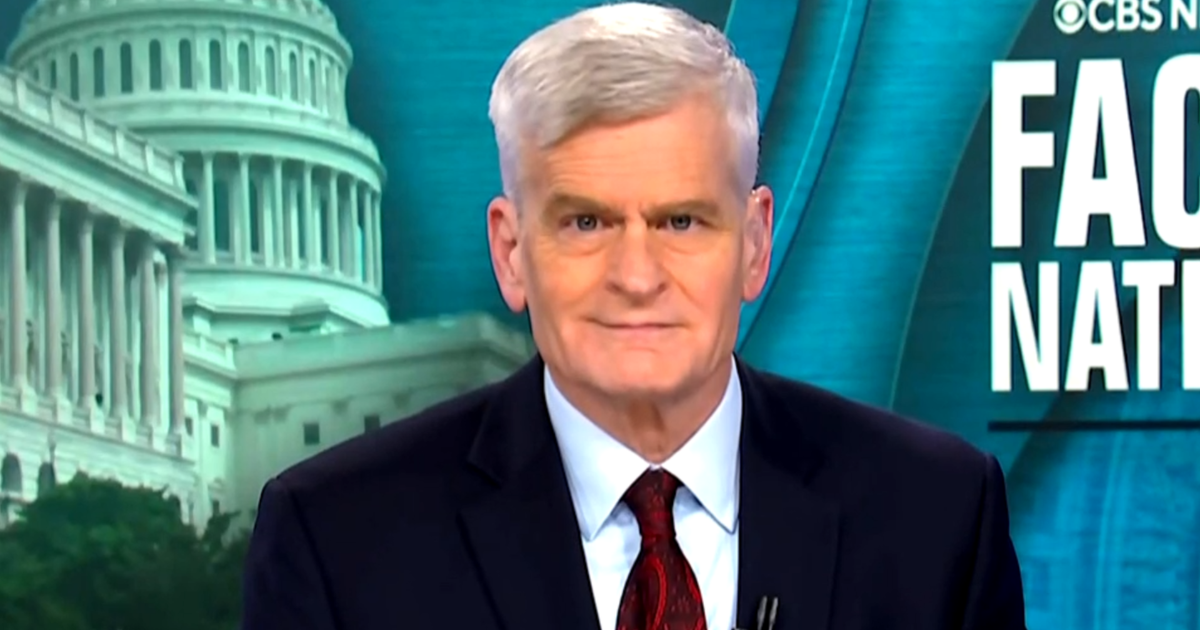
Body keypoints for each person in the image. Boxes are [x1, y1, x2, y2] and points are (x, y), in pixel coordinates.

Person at [240, 3, 1027, 630]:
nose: (637, 277)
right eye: (586, 223)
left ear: (755, 244)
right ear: (511, 253)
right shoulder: (340, 540)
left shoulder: (936, 518)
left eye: (682, 221)